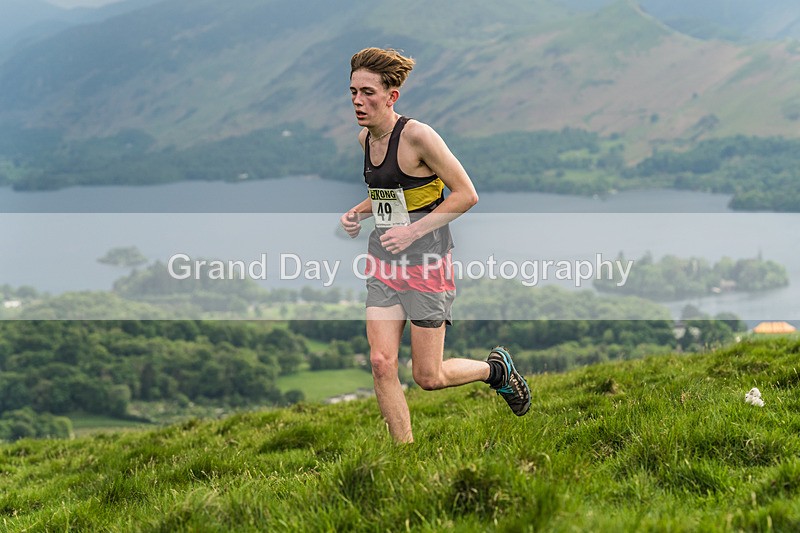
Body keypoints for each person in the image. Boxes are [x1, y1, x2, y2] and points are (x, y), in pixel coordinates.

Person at [340, 47, 530, 443]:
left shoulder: (418, 136)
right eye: (353, 91)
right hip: (384, 261)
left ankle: (496, 371)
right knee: (380, 361)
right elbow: (392, 194)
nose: (358, 101)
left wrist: (412, 233)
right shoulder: (365, 140)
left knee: (429, 376)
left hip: (427, 262)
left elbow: (466, 194)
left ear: (392, 96)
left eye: (368, 92)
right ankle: (404, 457)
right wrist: (358, 211)